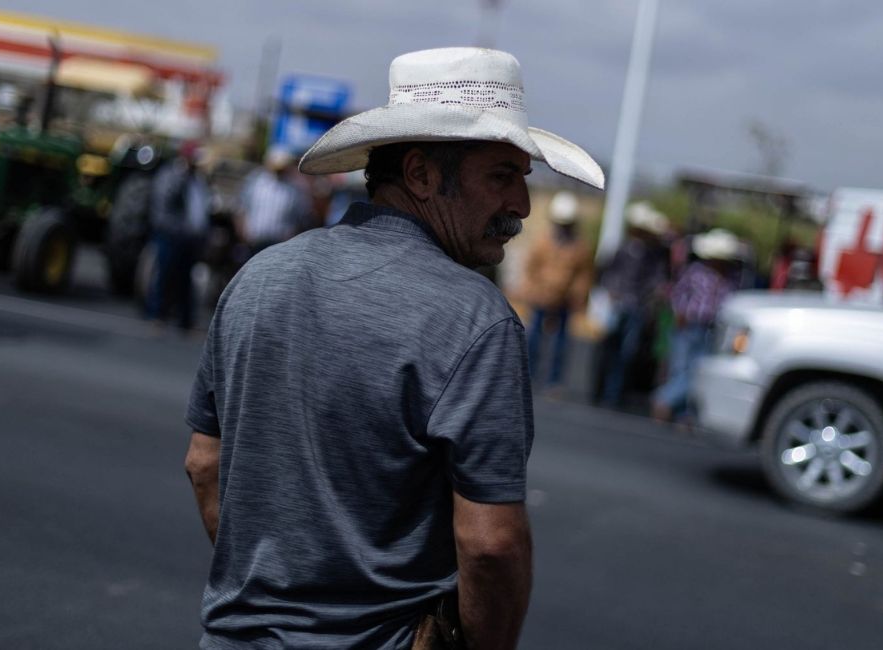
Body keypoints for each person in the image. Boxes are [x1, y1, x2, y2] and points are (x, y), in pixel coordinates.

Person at [183, 47, 604, 650]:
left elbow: (204, 464)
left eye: (522, 179)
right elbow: (490, 544)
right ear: (421, 174)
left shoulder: (258, 277)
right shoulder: (476, 319)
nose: (521, 206)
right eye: (502, 176)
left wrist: (274, 593)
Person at [651, 228, 740, 423]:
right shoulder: (696, 272)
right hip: (689, 325)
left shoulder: (730, 278)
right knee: (681, 368)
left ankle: (671, 404)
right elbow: (677, 293)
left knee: (697, 371)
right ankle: (670, 405)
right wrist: (679, 312)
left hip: (711, 329)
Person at [518, 191, 595, 394]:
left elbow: (583, 275)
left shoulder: (580, 247)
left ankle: (554, 381)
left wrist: (579, 298)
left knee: (561, 343)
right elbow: (531, 267)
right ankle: (529, 374)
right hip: (541, 296)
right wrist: (533, 290)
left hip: (564, 300)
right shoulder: (543, 241)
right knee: (533, 337)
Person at [595, 202, 671, 407]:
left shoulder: (651, 256)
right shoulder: (623, 249)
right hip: (619, 304)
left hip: (635, 306)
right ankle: (601, 389)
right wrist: (611, 292)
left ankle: (612, 393)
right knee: (609, 348)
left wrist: (651, 295)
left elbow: (655, 280)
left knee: (626, 352)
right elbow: (606, 271)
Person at [145, 140, 210, 331]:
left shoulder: (198, 179)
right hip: (171, 235)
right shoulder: (171, 175)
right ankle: (157, 315)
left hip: (190, 238)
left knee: (186, 279)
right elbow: (164, 204)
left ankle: (185, 321)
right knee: (164, 275)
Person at [236, 147, 313, 260]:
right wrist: (242, 233)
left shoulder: (294, 189)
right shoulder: (256, 181)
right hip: (254, 242)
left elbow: (301, 216)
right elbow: (241, 208)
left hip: (280, 244)